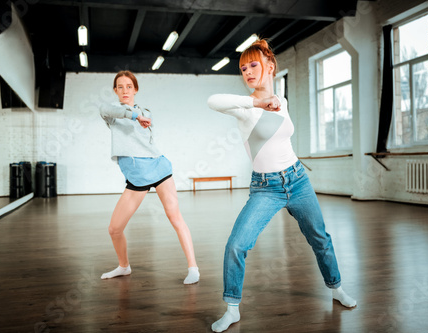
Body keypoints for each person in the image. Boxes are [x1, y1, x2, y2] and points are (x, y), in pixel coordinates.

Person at [207, 39, 356, 332]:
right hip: (266, 187)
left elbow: (280, 137)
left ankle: (336, 287)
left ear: (270, 67)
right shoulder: (245, 108)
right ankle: (232, 308)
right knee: (236, 245)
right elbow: (213, 101)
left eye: (253, 65)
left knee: (320, 238)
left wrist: (269, 102)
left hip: (297, 179)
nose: (248, 72)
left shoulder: (283, 101)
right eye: (243, 68)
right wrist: (256, 101)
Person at [99, 70, 199, 285]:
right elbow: (105, 109)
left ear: (135, 89)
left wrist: (140, 115)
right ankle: (123, 266)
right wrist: (134, 116)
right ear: (115, 91)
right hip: (137, 176)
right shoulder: (114, 114)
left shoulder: (146, 111)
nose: (125, 90)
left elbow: (146, 133)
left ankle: (193, 268)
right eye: (120, 86)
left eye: (129, 86)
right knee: (114, 229)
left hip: (159, 168)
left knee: (175, 217)